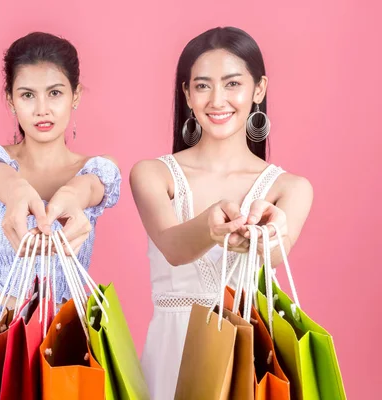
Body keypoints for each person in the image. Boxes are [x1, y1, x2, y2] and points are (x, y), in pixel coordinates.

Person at [130, 26, 313, 399]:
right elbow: (174, 248)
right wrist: (210, 227)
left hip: (248, 355)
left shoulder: (290, 188)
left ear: (258, 89)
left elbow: (278, 252)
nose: (217, 100)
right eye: (202, 86)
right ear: (187, 93)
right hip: (172, 354)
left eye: (232, 84)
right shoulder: (153, 174)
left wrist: (266, 236)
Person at [0, 32, 121, 399]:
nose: (42, 109)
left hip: (66, 343)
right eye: (27, 95)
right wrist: (18, 191)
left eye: (55, 93)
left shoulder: (95, 170)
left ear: (76, 96)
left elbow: (92, 187)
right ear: (10, 101)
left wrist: (72, 193)